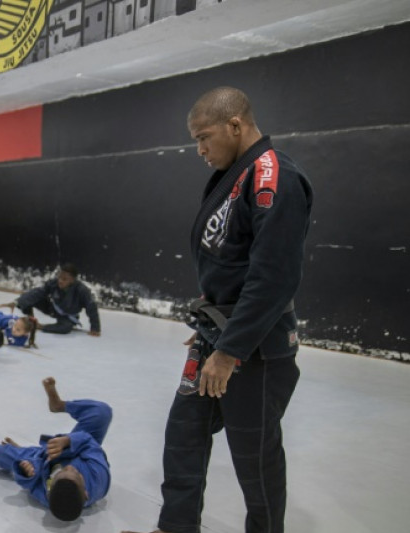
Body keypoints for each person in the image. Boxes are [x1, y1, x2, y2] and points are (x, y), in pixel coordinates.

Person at [123, 88, 313, 533]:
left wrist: (229, 351)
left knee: (256, 457)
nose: (200, 150)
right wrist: (213, 318)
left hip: (254, 349)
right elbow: (229, 259)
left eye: (204, 137)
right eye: (195, 140)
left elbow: (273, 278)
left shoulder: (273, 177)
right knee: (183, 434)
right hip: (220, 333)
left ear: (235, 125)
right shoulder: (238, 174)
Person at [0, 377, 112, 522]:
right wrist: (67, 441)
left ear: (50, 489)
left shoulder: (48, 496)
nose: (70, 468)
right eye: (76, 474)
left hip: (42, 458)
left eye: (62, 472)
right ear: (85, 493)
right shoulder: (99, 477)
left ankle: (23, 450)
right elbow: (90, 443)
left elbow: (31, 485)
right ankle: (58, 405)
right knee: (102, 412)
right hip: (81, 448)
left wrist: (29, 472)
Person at [5, 263, 100, 336]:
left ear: (72, 280)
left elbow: (91, 306)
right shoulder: (54, 283)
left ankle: (40, 326)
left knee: (66, 328)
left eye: (64, 279)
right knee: (28, 297)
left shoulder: (82, 290)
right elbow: (39, 292)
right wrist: (16, 302)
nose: (60, 281)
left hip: (67, 317)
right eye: (59, 277)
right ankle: (31, 320)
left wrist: (95, 328)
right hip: (53, 309)